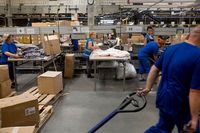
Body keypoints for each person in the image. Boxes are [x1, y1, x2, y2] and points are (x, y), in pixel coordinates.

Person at [138, 25, 200, 133]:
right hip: (180, 101)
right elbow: (194, 91)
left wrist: (148, 88)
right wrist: (194, 118)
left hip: (164, 97)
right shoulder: (197, 55)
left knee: (162, 128)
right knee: (192, 128)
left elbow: (154, 69)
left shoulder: (171, 49)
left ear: (189, 35)